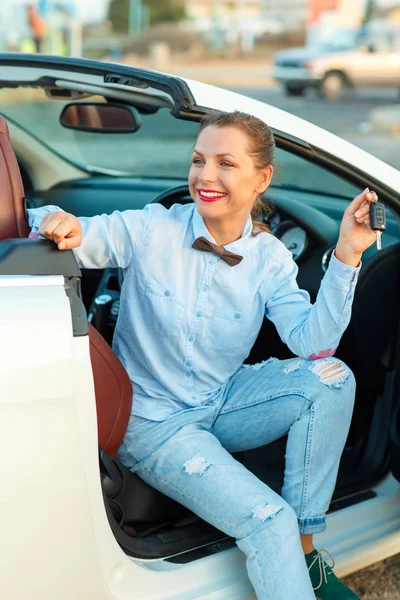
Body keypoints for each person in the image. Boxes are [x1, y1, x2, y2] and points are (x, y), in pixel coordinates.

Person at [28, 110, 379, 600]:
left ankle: (304, 553)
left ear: (262, 179)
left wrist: (347, 255)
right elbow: (71, 232)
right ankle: (286, 546)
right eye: (198, 160)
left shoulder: (271, 257)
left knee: (333, 378)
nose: (205, 175)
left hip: (221, 400)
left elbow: (312, 344)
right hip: (153, 424)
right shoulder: (152, 228)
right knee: (266, 521)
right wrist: (53, 221)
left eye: (225, 163)